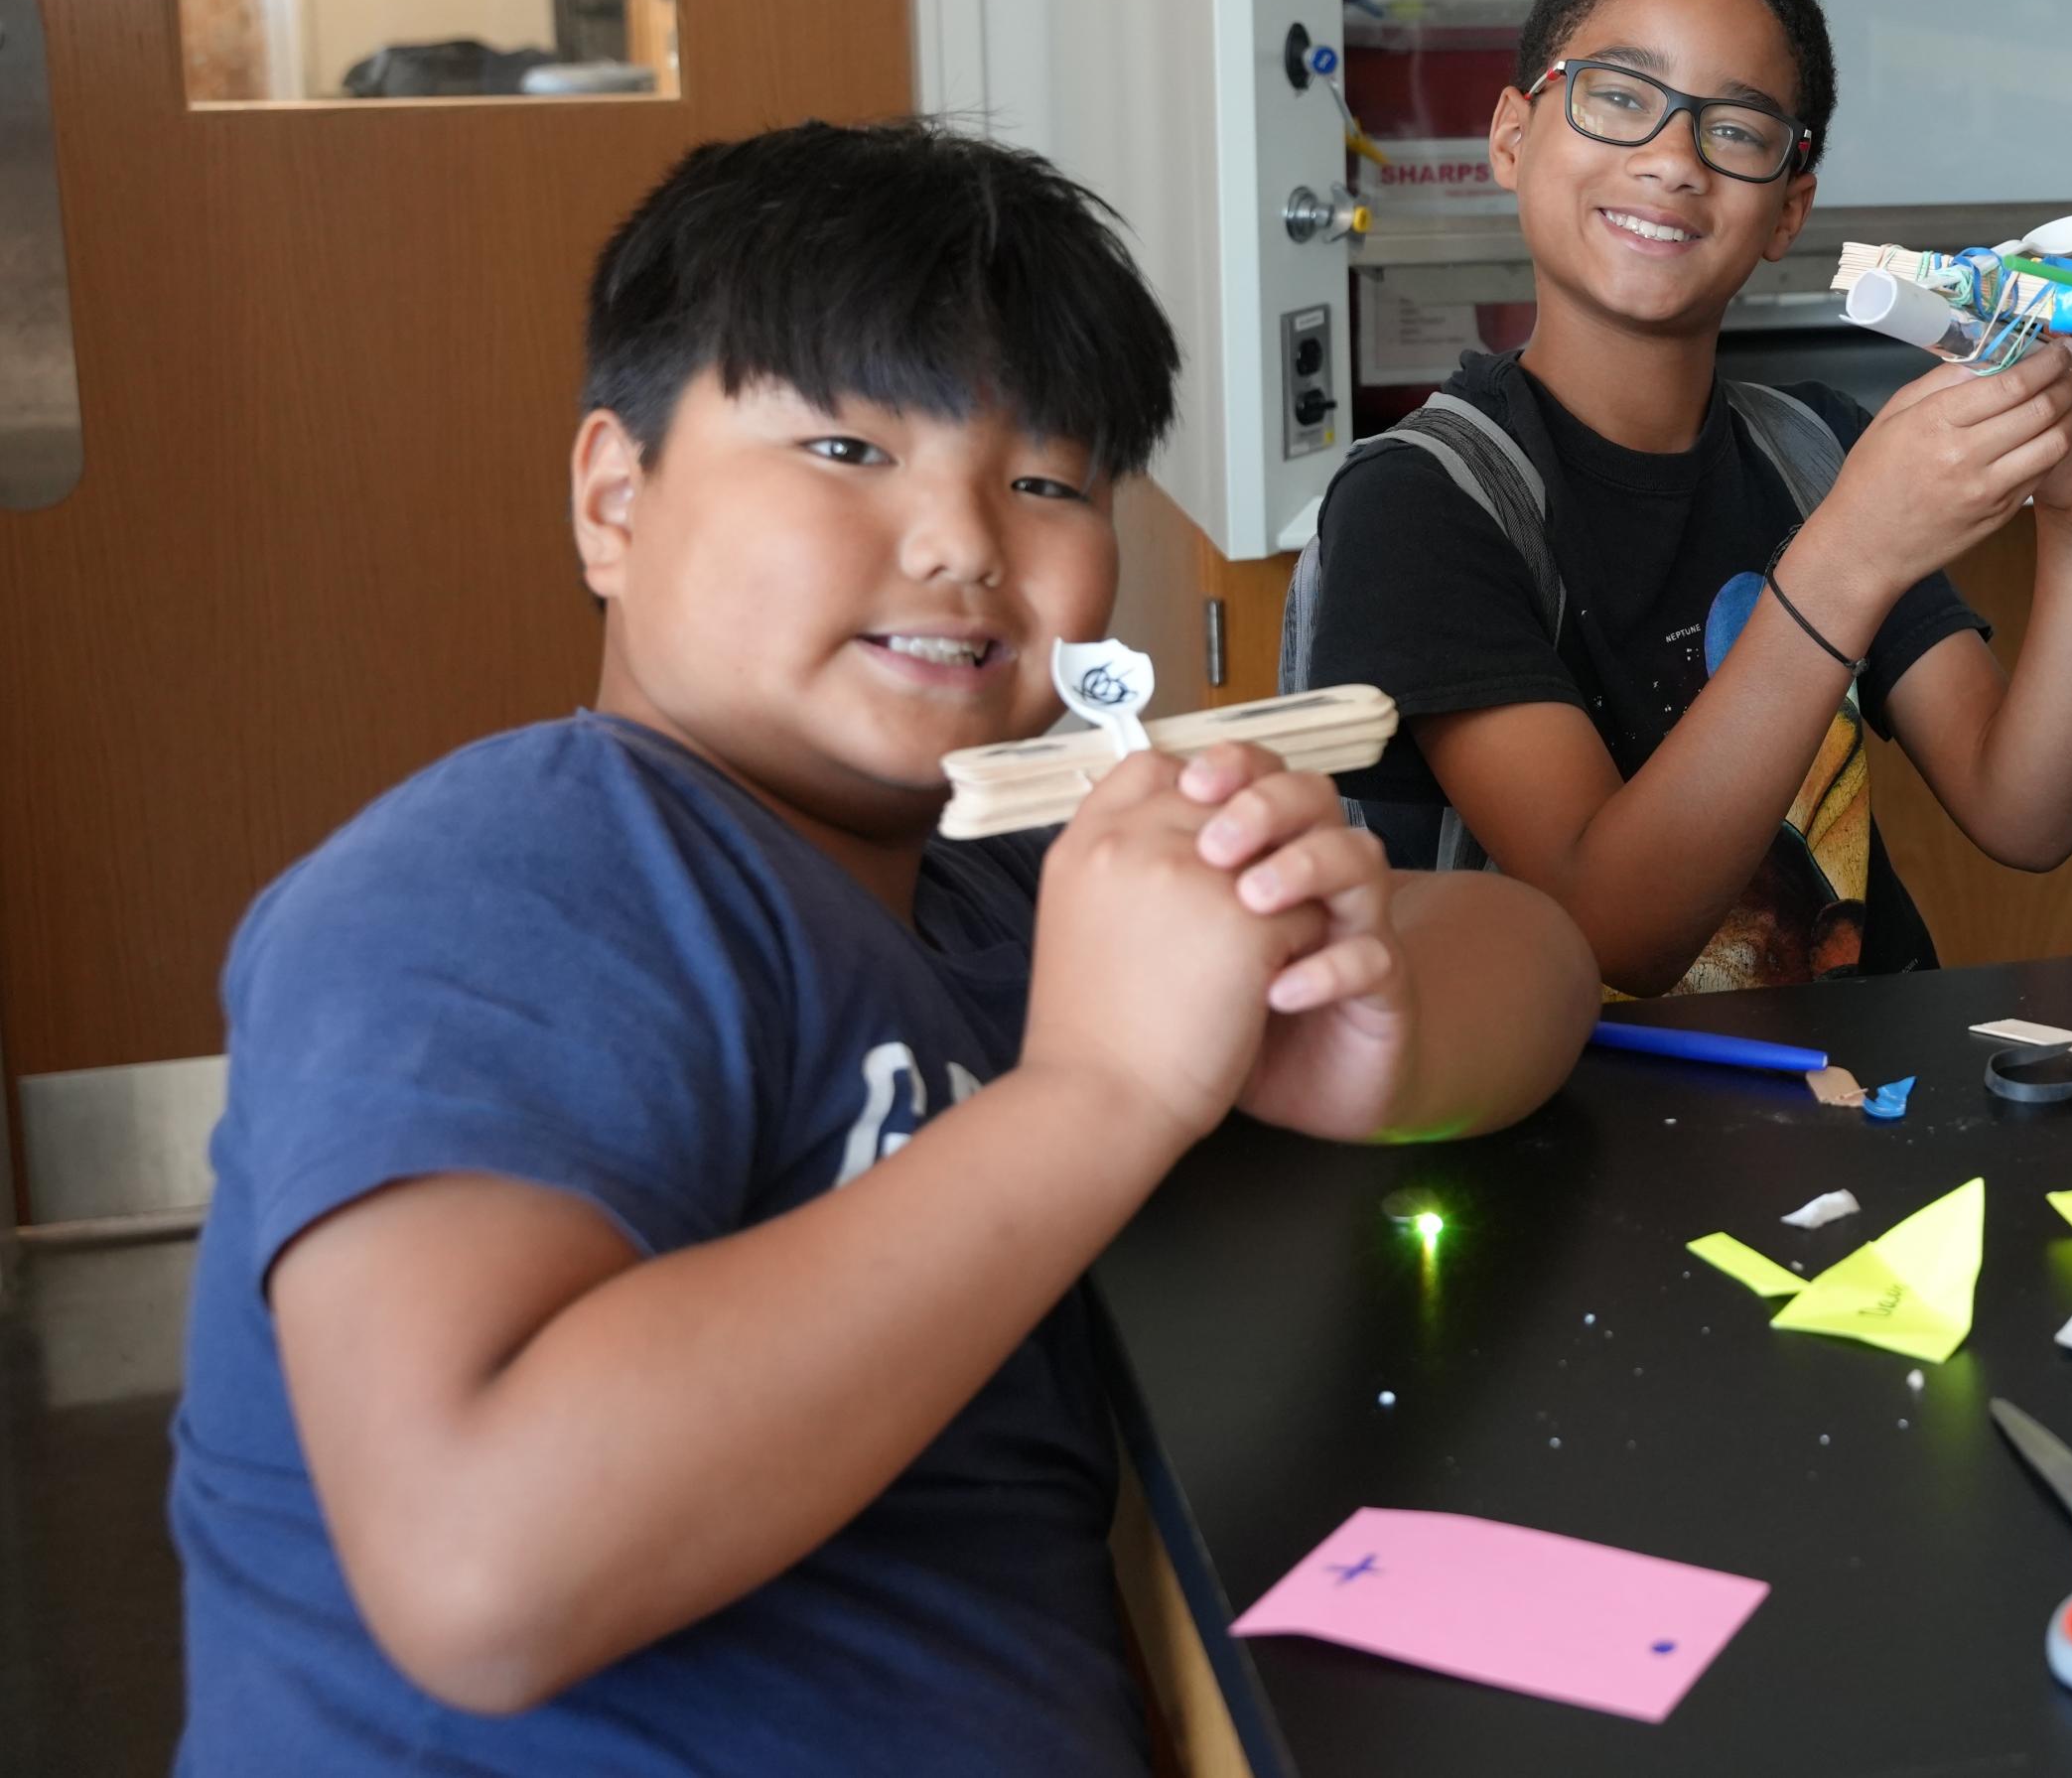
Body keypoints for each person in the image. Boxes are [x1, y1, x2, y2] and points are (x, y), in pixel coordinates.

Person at [170, 123, 1595, 1770]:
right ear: (615, 499)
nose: (965, 541)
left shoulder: (1007, 873)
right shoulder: (514, 871)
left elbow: (1532, 950)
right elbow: (486, 1566)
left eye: (1049, 477)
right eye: (848, 449)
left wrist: (1370, 1028)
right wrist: (1101, 1090)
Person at [1295, 0, 2072, 997]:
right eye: (1619, 97)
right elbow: (1611, 932)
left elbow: (2023, 813)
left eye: (1739, 131)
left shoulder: (1814, 452)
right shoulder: (1420, 504)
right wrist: (1849, 554)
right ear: (1513, 137)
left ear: (1786, 209)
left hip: (1854, 1108)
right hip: (1591, 1133)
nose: (1669, 161)